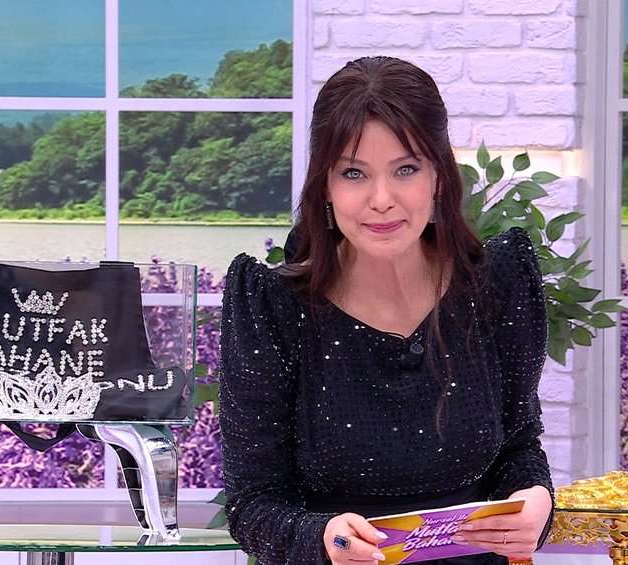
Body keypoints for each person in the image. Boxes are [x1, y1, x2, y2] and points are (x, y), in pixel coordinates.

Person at [219, 56, 553, 565]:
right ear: (325, 186)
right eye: (354, 173)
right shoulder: (272, 307)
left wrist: (536, 502)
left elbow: (519, 449)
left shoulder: (496, 285)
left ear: (439, 176)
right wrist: (323, 537)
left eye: (406, 169)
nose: (381, 199)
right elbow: (252, 505)